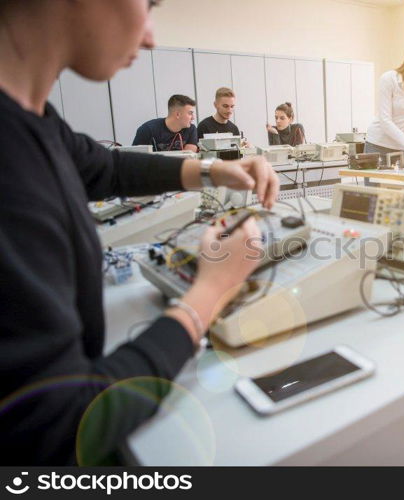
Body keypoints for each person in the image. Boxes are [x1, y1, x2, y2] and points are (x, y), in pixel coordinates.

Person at [0, 0, 279, 465]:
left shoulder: (32, 120)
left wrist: (213, 170)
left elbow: (106, 166)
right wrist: (209, 292)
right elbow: (64, 423)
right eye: (147, 5)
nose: (149, 36)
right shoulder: (10, 164)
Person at [133, 94, 198, 152]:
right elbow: (137, 159)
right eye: (190, 113)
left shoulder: (191, 129)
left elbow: (188, 157)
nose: (193, 118)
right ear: (178, 114)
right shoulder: (147, 130)